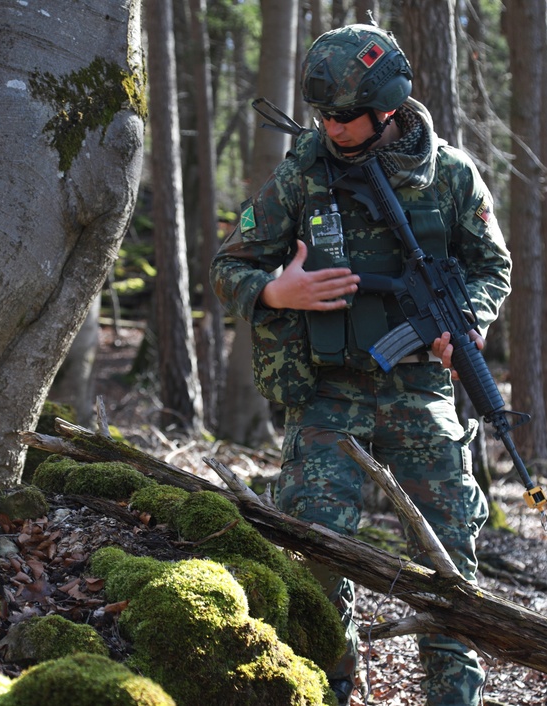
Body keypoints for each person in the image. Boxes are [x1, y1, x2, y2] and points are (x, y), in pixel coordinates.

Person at [210, 23, 512, 706]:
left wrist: (470, 320)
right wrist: (275, 292)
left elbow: (492, 266)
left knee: (448, 555)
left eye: (345, 116)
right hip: (327, 392)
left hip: (422, 390)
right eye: (323, 115)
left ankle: (453, 694)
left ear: (388, 105)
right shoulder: (302, 174)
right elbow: (230, 264)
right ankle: (331, 679)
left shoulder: (452, 173)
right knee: (316, 544)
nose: (332, 127)